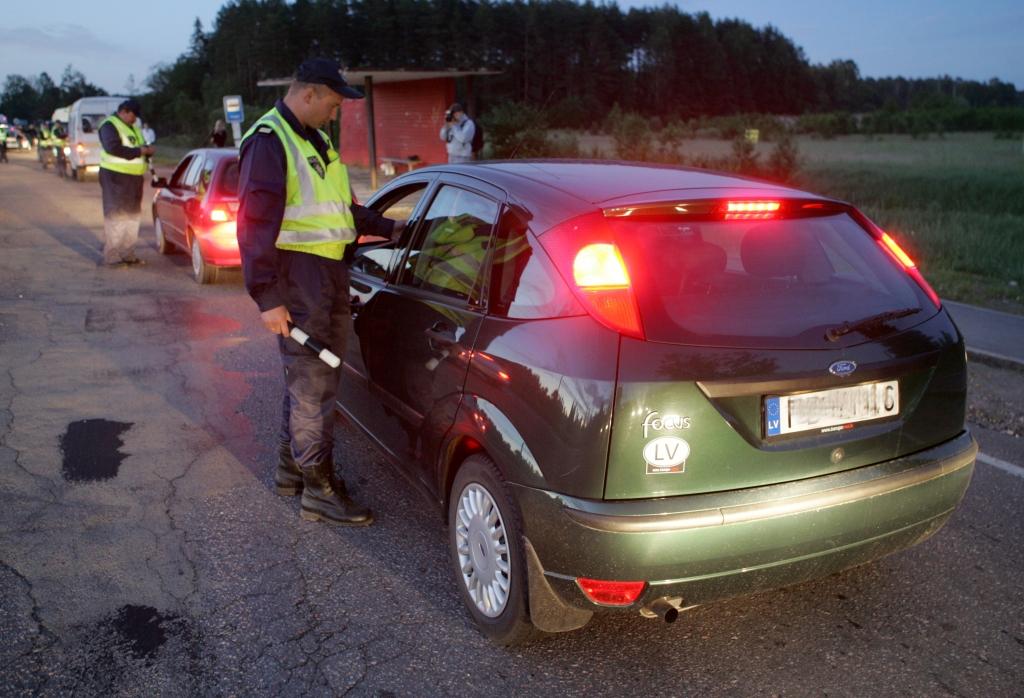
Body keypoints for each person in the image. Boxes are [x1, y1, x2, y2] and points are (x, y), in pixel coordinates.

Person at [237, 58, 401, 527]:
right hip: (298, 278)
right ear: (308, 94)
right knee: (314, 385)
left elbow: (343, 213)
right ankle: (319, 491)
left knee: (310, 381)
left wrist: (394, 227)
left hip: (328, 277)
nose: (334, 113)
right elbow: (252, 225)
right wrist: (267, 296)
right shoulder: (270, 142)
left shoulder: (317, 141)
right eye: (332, 103)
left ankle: (292, 471)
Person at [97, 99, 154, 266]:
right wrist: (139, 151)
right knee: (116, 214)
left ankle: (128, 252)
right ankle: (112, 254)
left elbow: (140, 145)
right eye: (133, 115)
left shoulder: (134, 128)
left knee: (132, 215)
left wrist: (147, 150)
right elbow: (112, 148)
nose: (135, 119)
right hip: (115, 176)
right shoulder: (109, 125)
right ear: (124, 111)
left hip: (134, 178)